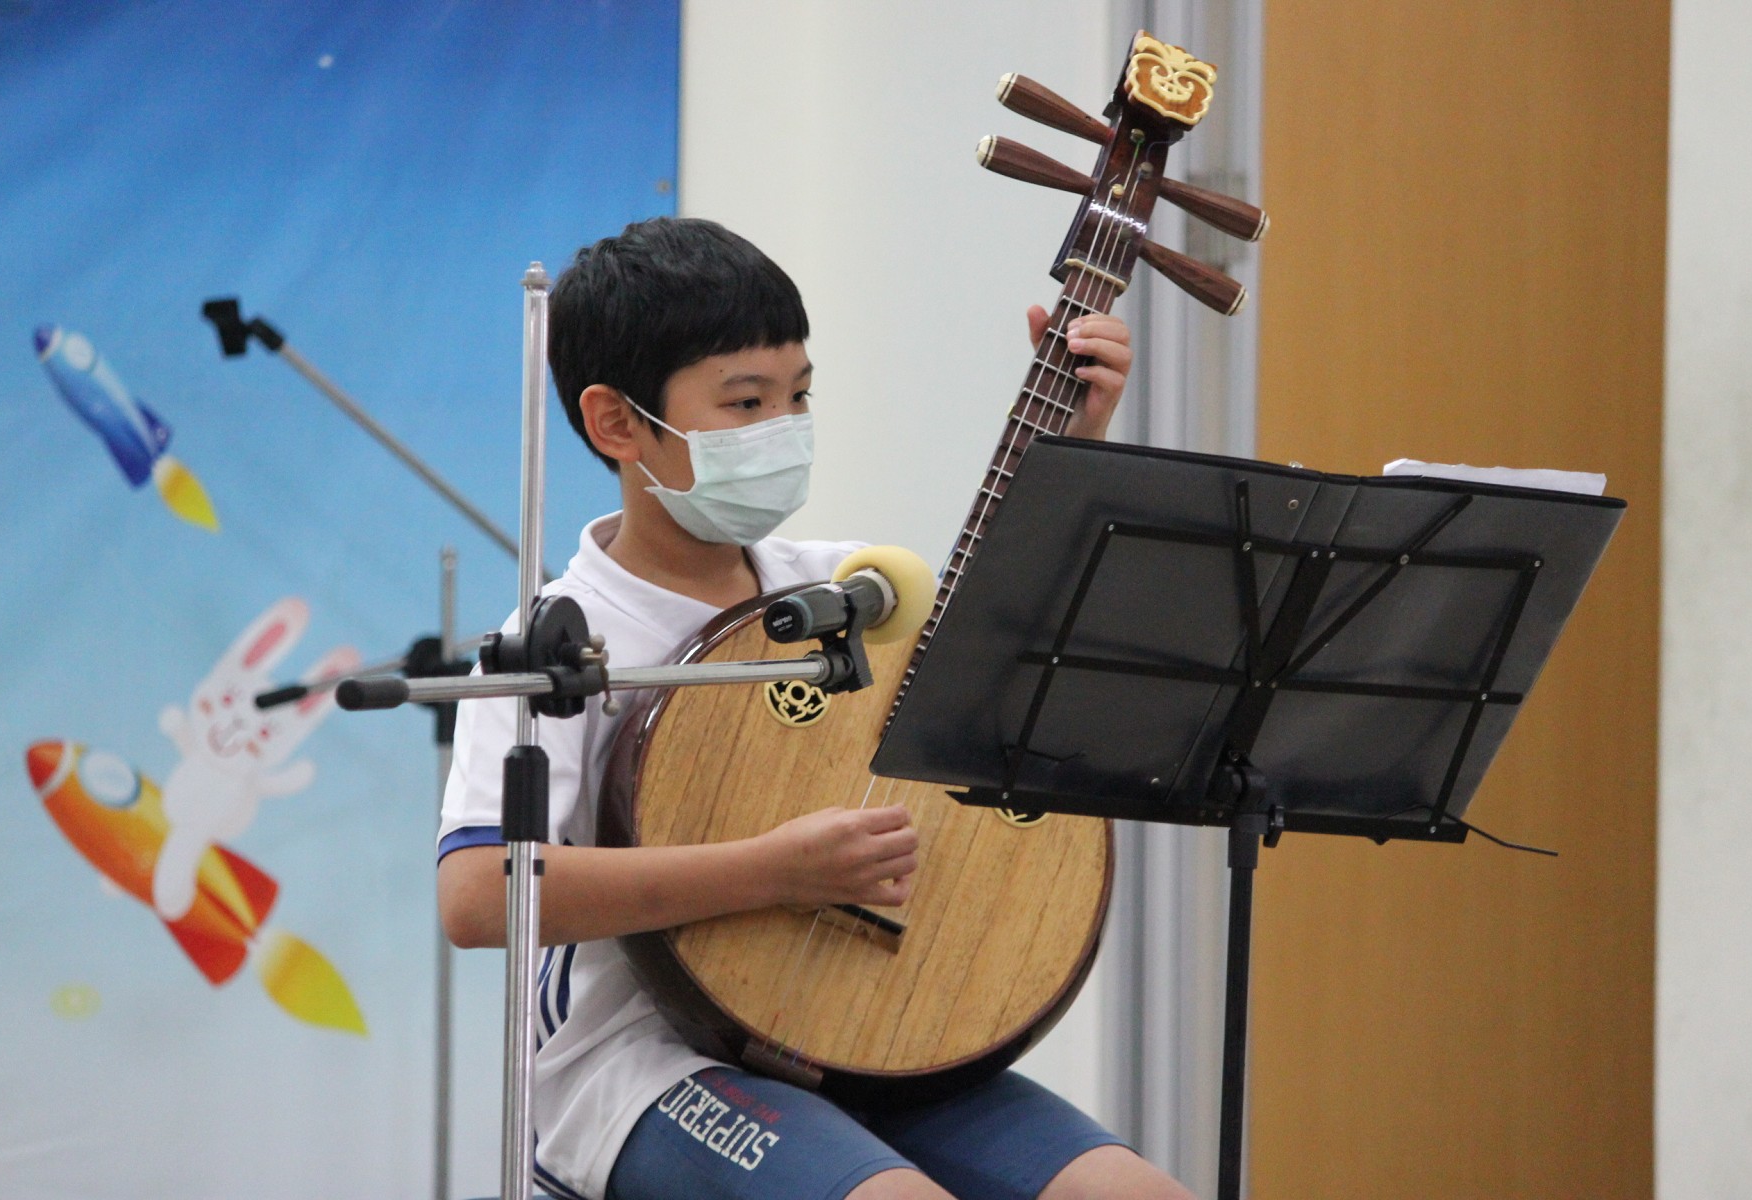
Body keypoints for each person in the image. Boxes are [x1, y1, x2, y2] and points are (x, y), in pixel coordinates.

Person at [437, 217, 1191, 1200]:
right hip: (647, 1063)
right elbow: (476, 895)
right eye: (745, 401)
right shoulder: (559, 639)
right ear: (617, 423)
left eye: (798, 396)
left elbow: (999, 679)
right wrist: (772, 872)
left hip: (876, 1031)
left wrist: (1075, 445)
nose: (783, 427)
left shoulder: (850, 589)